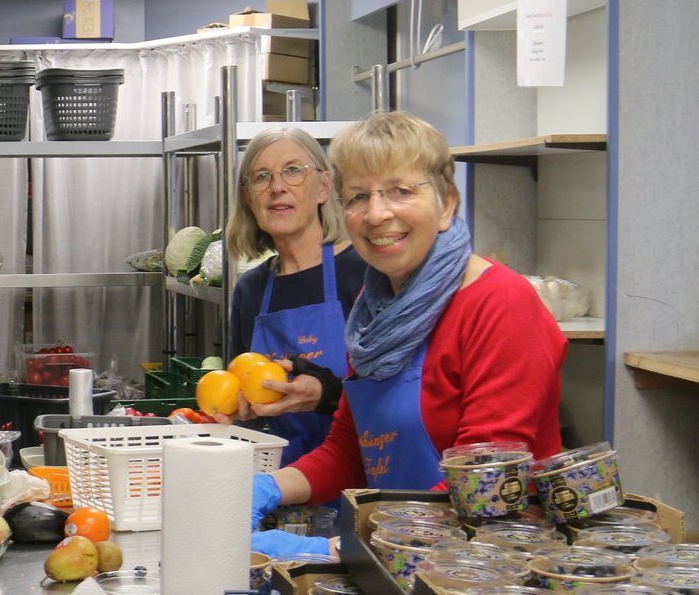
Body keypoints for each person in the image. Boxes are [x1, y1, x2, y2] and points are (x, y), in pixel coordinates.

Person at [249, 112, 566, 559]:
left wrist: (344, 550)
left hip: (484, 566)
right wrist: (263, 488)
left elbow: (484, 481)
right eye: (358, 196)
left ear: (447, 203)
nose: (377, 213)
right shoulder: (375, 312)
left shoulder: (500, 303)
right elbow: (350, 451)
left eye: (401, 190)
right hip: (401, 559)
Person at [218, 127, 367, 465]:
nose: (277, 187)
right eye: (261, 176)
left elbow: (397, 397)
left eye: (293, 170)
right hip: (275, 483)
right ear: (247, 198)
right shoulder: (251, 289)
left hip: (355, 482)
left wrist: (328, 395)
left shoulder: (362, 271)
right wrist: (232, 410)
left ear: (324, 187)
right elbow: (242, 397)